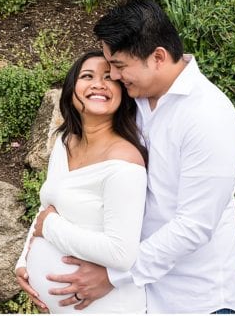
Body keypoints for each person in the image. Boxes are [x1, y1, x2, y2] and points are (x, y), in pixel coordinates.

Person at [45, 0, 235, 314]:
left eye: (120, 66)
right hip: (138, 299)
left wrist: (114, 276)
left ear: (158, 57)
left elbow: (194, 225)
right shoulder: (132, 103)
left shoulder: (209, 117)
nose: (112, 75)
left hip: (196, 300)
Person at [16, 50, 148, 313]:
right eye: (88, 76)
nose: (99, 84)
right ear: (72, 89)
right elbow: (47, 209)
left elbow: (121, 253)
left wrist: (50, 227)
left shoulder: (125, 161)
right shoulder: (65, 142)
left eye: (110, 78)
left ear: (122, 94)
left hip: (108, 307)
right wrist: (23, 262)